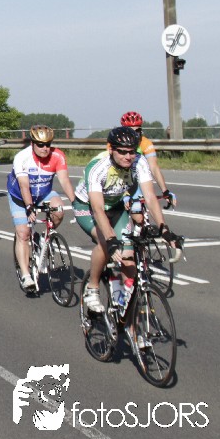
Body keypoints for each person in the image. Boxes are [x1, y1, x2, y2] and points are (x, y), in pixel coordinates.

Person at [73, 127, 178, 313]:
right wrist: (111, 239)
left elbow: (150, 198)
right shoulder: (98, 168)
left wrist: (164, 229)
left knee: (128, 257)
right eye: (122, 152)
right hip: (87, 207)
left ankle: (125, 307)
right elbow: (98, 209)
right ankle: (92, 287)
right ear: (111, 149)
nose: (128, 157)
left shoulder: (139, 162)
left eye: (131, 151)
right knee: (105, 243)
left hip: (116, 206)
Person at [7, 125, 78, 290]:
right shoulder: (22, 157)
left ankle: (43, 238)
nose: (45, 148)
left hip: (44, 193)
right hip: (20, 196)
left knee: (59, 209)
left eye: (48, 144)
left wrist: (75, 202)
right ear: (32, 143)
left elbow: (65, 181)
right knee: (23, 233)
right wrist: (29, 207)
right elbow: (24, 186)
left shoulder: (57, 156)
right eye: (40, 145)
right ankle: (26, 275)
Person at [119, 111, 176, 211]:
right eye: (131, 130)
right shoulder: (116, 143)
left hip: (136, 177)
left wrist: (165, 191)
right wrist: (124, 194)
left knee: (138, 213)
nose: (135, 134)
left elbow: (153, 167)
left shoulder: (145, 143)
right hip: (119, 179)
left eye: (137, 130)